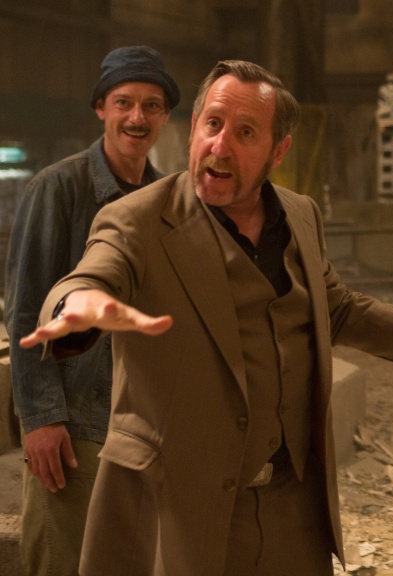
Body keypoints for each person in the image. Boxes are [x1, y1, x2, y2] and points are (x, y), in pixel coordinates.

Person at [18, 59, 393, 576]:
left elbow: (333, 306)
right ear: (194, 126)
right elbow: (95, 272)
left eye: (245, 133)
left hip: (290, 506)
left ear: (278, 150)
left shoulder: (300, 214)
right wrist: (79, 302)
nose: (220, 145)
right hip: (181, 506)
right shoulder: (137, 218)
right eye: (213, 123)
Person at [5, 45, 178, 576]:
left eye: (152, 105)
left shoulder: (167, 200)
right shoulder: (58, 189)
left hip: (141, 426)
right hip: (74, 426)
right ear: (101, 108)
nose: (137, 117)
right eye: (124, 102)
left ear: (165, 118)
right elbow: (26, 309)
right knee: (62, 562)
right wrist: (41, 419)